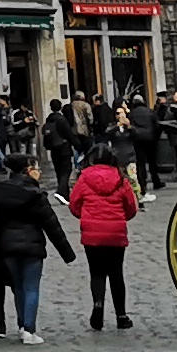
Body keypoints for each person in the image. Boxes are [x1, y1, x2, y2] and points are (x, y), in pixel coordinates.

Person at [0, 153, 77, 344]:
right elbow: (52, 225)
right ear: (28, 170)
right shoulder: (35, 195)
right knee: (31, 287)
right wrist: (67, 253)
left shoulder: (1, 193)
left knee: (18, 287)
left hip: (8, 246)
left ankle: (21, 325)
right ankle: (29, 329)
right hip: (32, 246)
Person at [70, 139, 139, 330]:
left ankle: (98, 305)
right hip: (115, 232)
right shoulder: (121, 178)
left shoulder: (84, 177)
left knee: (97, 272)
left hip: (92, 234)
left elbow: (74, 204)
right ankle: (121, 315)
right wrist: (121, 218)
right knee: (117, 274)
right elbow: (131, 207)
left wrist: (85, 216)